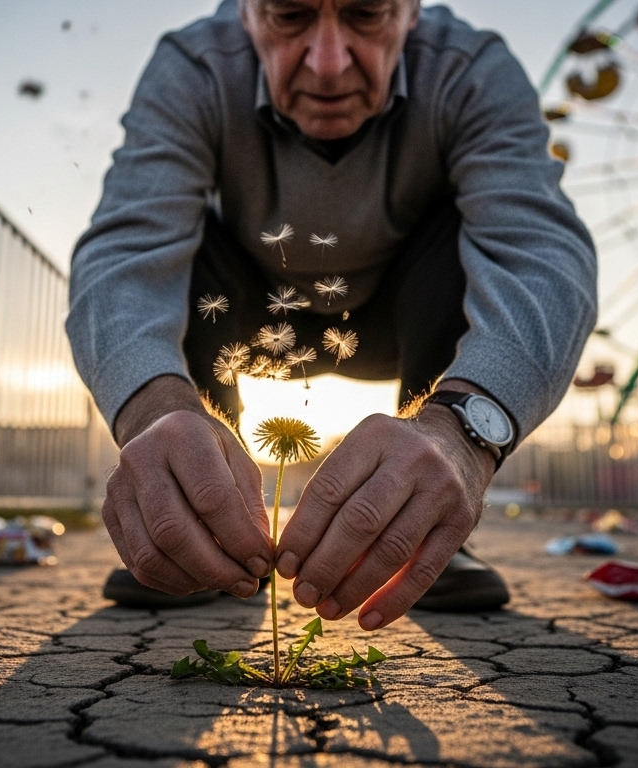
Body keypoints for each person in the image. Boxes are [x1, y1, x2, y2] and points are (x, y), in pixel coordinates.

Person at [66, 0, 596, 630]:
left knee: (473, 234)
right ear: (245, 13)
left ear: (412, 12)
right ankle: (194, 510)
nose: (326, 64)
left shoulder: (472, 69)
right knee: (181, 243)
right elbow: (126, 249)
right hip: (250, 313)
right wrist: (154, 411)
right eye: (289, 16)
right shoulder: (193, 68)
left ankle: (422, 516)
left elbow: (539, 250)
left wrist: (463, 435)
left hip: (400, 318)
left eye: (366, 15)